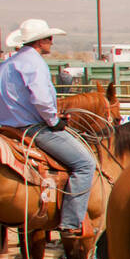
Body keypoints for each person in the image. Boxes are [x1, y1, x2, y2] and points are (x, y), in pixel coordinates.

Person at [0, 19, 96, 239]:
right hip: (33, 129)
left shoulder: (6, 65)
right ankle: (72, 223)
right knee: (84, 163)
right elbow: (42, 99)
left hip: (7, 128)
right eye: (49, 38)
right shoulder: (33, 63)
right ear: (39, 41)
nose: (52, 42)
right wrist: (54, 120)